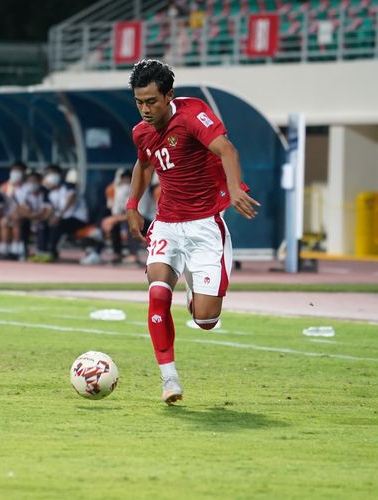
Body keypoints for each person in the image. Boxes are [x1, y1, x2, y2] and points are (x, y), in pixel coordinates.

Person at [125, 59, 259, 405]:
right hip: (167, 224)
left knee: (206, 320)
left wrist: (236, 188)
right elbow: (142, 164)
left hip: (204, 225)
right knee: (157, 295)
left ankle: (195, 290)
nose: (145, 109)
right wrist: (132, 206)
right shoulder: (141, 131)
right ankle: (169, 380)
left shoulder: (192, 115)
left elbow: (226, 148)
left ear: (169, 95)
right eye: (139, 102)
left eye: (152, 101)